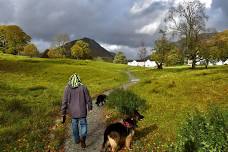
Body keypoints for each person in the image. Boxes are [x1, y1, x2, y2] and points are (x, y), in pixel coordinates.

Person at [61, 73, 92, 148]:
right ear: (79, 79)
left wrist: (63, 113)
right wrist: (90, 107)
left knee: (74, 125)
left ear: (70, 79)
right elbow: (88, 99)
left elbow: (64, 101)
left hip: (72, 112)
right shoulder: (83, 87)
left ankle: (77, 139)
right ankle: (83, 139)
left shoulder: (67, 88)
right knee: (83, 125)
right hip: (82, 111)